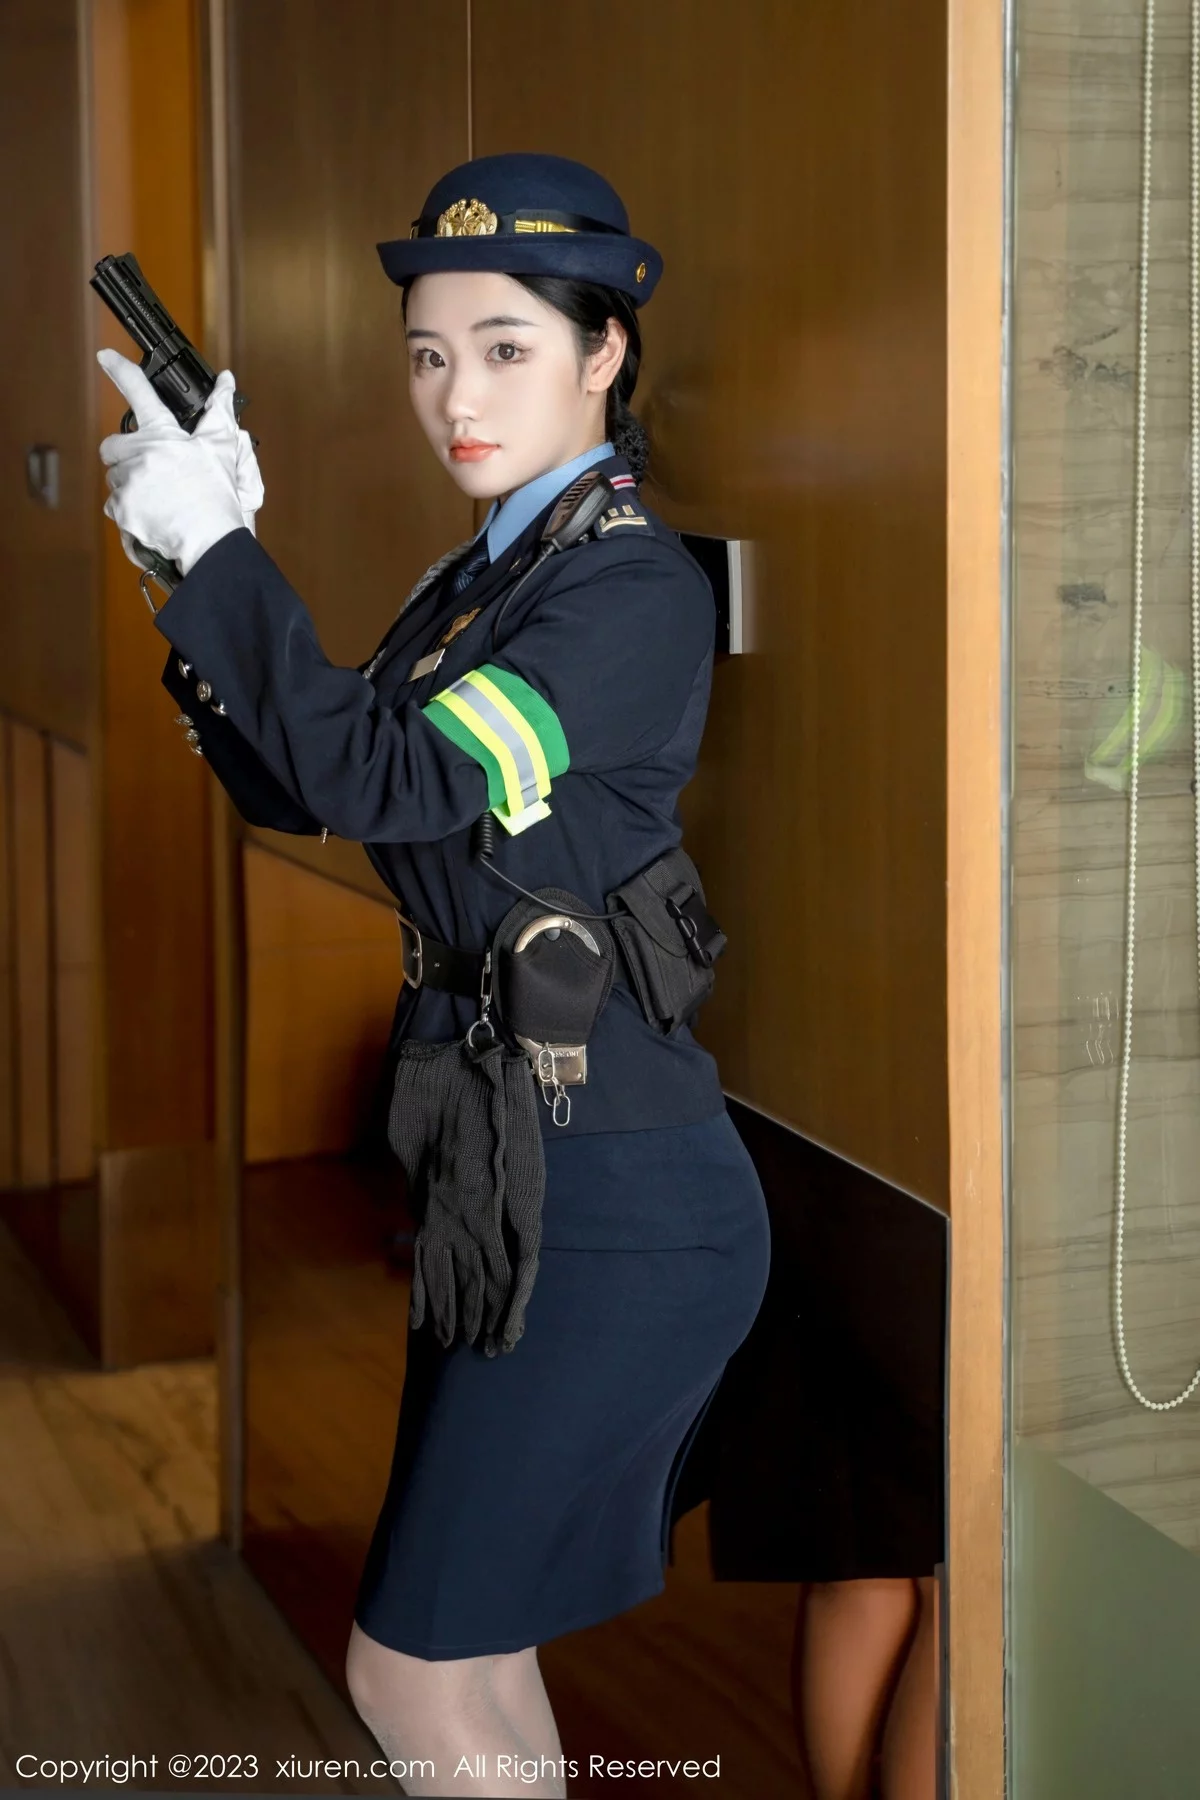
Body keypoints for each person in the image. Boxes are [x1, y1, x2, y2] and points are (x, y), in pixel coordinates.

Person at [96, 152, 772, 1799]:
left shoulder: (625, 585)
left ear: (604, 351)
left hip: (614, 1195)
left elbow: (393, 778)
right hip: (502, 1169)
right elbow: (303, 784)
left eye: (505, 347)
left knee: (408, 1666)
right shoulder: (488, 576)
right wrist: (197, 568)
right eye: (427, 354)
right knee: (471, 1651)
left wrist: (227, 567)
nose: (457, 397)